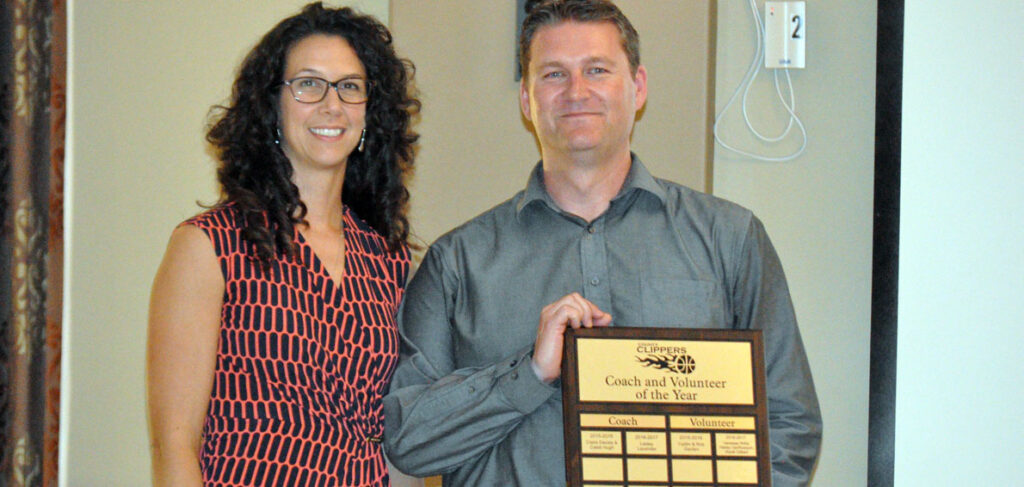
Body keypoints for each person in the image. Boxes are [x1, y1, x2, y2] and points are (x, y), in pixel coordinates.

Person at [383, 0, 822, 486]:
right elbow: (408, 440)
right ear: (527, 101)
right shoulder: (457, 262)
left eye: (597, 69)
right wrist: (527, 374)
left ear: (637, 88)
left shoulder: (730, 239)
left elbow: (789, 424)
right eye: (553, 75)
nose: (577, 91)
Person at [146, 3, 419, 486]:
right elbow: (175, 445)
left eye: (350, 87)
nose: (331, 105)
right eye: (309, 84)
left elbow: (395, 439)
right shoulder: (209, 246)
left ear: (369, 114)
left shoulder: (389, 260)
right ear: (272, 105)